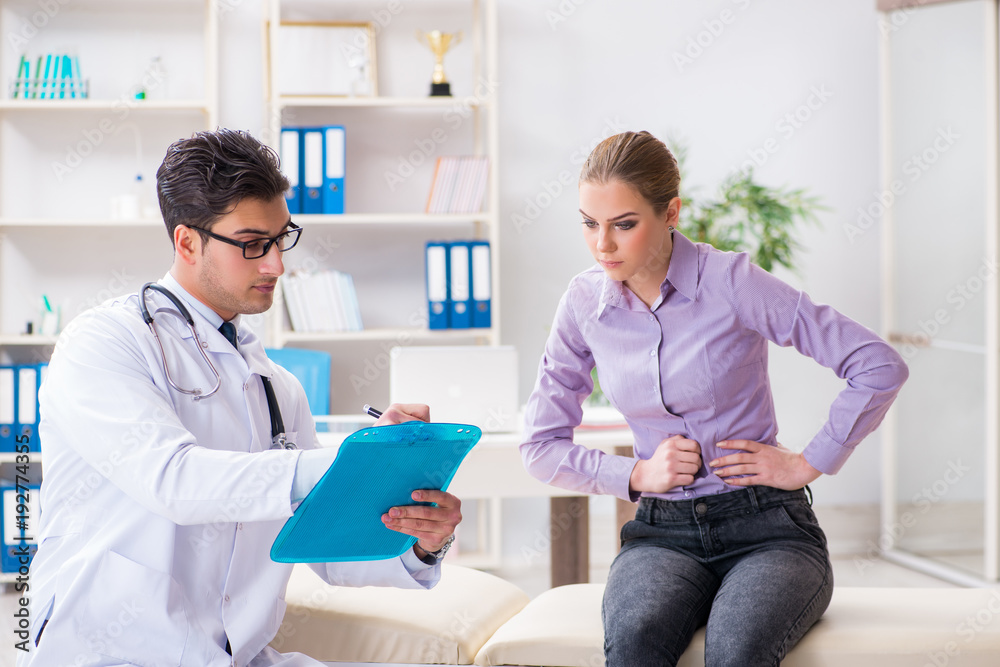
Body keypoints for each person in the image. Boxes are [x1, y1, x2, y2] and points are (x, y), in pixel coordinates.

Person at [22, 129, 461, 667]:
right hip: (111, 653)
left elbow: (324, 548)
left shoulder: (276, 385)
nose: (277, 264)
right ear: (187, 242)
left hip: (239, 657)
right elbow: (174, 482)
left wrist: (416, 533)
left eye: (283, 238)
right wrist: (343, 465)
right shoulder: (103, 344)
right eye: (253, 243)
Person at [520, 131, 908, 667]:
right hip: (662, 532)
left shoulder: (731, 281)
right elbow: (539, 445)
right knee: (634, 642)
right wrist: (635, 476)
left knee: (737, 649)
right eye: (589, 223)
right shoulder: (584, 302)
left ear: (671, 212)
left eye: (624, 224)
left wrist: (809, 462)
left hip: (767, 529)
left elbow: (877, 364)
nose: (602, 244)